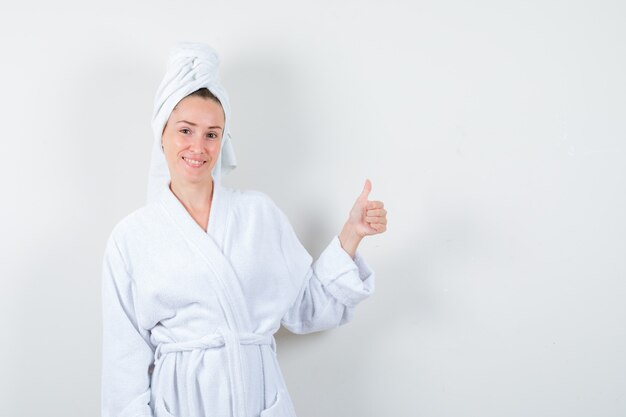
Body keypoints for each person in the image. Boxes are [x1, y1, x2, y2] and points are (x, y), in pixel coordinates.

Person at [101, 42, 388, 417]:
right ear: (162, 134)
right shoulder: (131, 238)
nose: (198, 147)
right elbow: (123, 363)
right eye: (185, 130)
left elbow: (306, 306)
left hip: (259, 399)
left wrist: (352, 233)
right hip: (182, 403)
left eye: (212, 133)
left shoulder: (258, 214)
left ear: (224, 140)